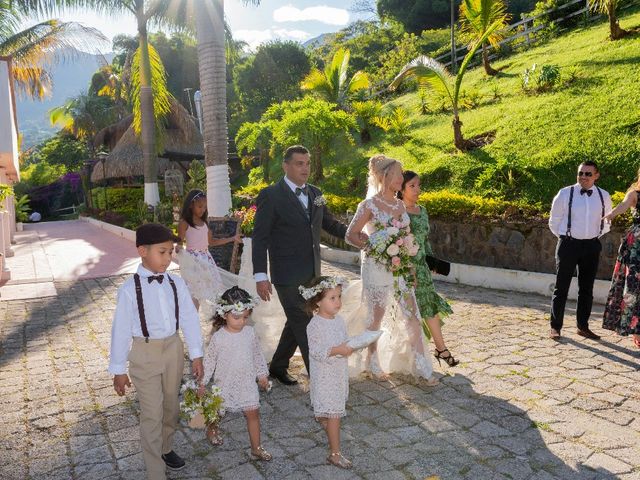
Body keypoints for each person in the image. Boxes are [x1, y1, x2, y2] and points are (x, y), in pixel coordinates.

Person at [108, 223, 204, 479]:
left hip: (173, 349)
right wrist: (118, 370)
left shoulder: (176, 283)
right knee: (152, 413)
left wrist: (196, 353)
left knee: (171, 407)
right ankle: (155, 471)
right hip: (144, 354)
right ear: (142, 251)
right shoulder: (129, 290)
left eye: (170, 252)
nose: (168, 258)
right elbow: (120, 331)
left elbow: (189, 319)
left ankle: (166, 447)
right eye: (162, 252)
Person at [252, 145, 350, 385]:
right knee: (305, 324)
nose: (305, 168)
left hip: (312, 274)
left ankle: (277, 365)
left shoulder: (317, 192)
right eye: (299, 163)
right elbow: (260, 237)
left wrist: (354, 235)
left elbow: (329, 223)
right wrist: (260, 276)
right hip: (286, 274)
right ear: (286, 166)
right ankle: (322, 379)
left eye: (307, 163)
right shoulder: (270, 195)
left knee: (297, 320)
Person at [344, 154, 438, 385]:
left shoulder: (399, 204)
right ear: (385, 176)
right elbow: (351, 235)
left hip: (401, 267)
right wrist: (376, 246)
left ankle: (421, 365)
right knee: (376, 317)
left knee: (412, 314)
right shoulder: (368, 205)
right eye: (398, 173)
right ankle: (371, 361)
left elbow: (405, 236)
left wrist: (410, 266)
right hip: (377, 266)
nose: (401, 177)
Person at [199, 286, 272, 461]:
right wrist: (202, 383)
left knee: (253, 414)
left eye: (246, 317)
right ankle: (211, 429)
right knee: (218, 412)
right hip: (225, 383)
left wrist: (262, 375)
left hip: (247, 383)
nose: (241, 321)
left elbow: (256, 354)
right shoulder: (219, 338)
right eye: (237, 317)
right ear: (224, 315)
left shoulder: (250, 333)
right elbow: (209, 362)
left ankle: (256, 447)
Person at [398, 171, 458, 367]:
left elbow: (424, 240)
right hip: (405, 269)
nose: (417, 190)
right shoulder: (397, 212)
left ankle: (441, 348)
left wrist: (432, 263)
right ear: (401, 189)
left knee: (428, 307)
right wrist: (407, 268)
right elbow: (396, 243)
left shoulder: (422, 210)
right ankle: (409, 353)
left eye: (418, 185)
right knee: (409, 312)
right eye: (412, 186)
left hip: (422, 267)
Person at [548, 161, 612, 340]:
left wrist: (594, 236)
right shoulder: (565, 193)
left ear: (596, 176)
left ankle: (582, 326)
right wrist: (566, 236)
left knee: (586, 288)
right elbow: (554, 221)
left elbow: (607, 221)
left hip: (591, 246)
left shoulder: (603, 195)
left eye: (588, 174)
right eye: (580, 173)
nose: (583, 177)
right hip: (568, 244)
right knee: (561, 287)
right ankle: (555, 327)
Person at [302, 276, 354, 469]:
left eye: (339, 297)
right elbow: (315, 351)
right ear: (318, 301)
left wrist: (352, 346)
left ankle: (325, 421)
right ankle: (335, 454)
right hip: (324, 376)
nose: (338, 302)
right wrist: (338, 350)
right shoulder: (314, 325)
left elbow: (344, 341)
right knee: (334, 414)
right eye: (332, 298)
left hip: (338, 374)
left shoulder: (339, 320)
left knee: (331, 412)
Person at [176, 189, 240, 310]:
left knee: (214, 289)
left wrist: (232, 238)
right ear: (191, 205)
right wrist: (178, 248)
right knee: (194, 292)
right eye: (200, 206)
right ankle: (192, 318)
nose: (203, 209)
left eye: (205, 207)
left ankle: (218, 318)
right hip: (193, 262)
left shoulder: (204, 223)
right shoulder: (184, 223)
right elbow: (179, 242)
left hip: (206, 260)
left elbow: (212, 242)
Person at [602, 169, 640, 348]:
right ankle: (636, 330)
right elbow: (623, 205)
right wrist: (612, 214)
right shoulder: (635, 193)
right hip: (636, 247)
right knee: (633, 286)